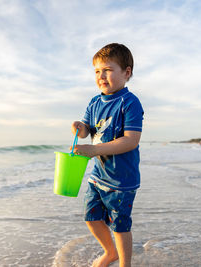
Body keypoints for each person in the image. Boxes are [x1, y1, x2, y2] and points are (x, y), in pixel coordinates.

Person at [71, 43, 144, 267]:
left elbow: (131, 141)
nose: (101, 76)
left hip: (121, 180)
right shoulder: (94, 102)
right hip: (98, 176)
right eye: (97, 71)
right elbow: (87, 129)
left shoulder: (129, 103)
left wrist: (93, 150)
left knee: (120, 225)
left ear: (127, 72)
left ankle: (124, 263)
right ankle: (110, 252)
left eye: (108, 70)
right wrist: (79, 128)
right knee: (91, 217)